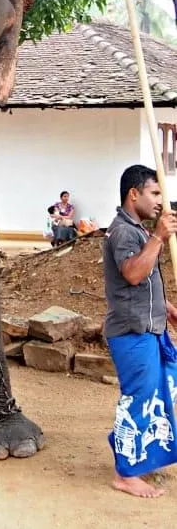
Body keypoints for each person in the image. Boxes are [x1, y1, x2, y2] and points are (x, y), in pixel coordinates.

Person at [104, 164, 177, 498]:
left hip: (150, 327)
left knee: (159, 393)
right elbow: (133, 273)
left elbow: (143, 283)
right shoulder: (123, 232)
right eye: (155, 193)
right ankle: (126, 473)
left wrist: (166, 309)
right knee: (139, 399)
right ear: (134, 194)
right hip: (132, 333)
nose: (161, 201)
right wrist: (159, 238)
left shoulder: (138, 231)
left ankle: (138, 455)